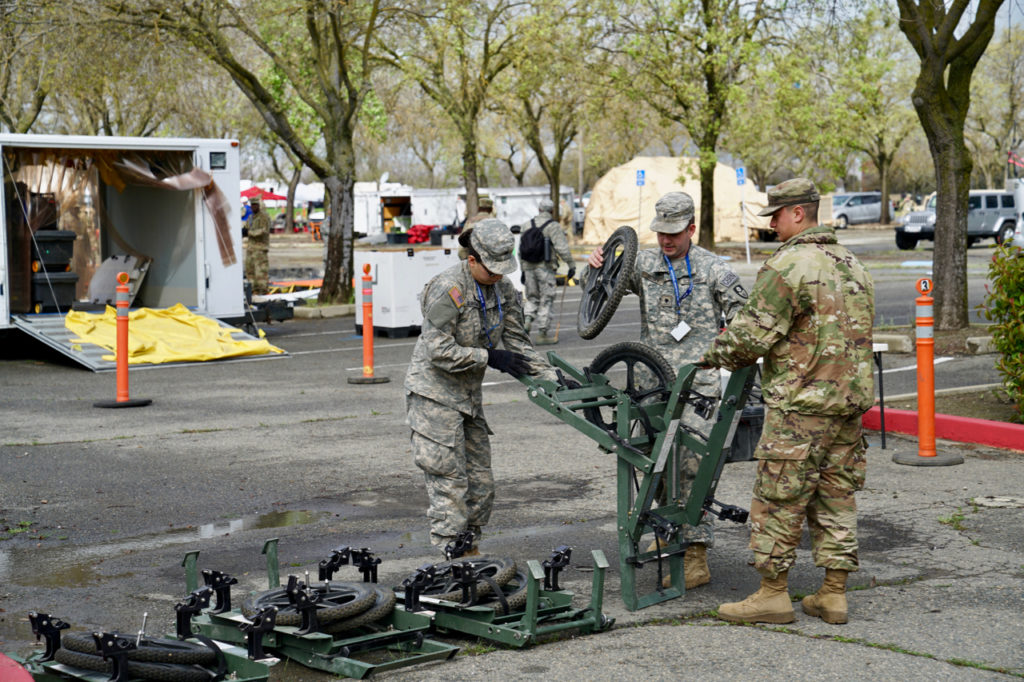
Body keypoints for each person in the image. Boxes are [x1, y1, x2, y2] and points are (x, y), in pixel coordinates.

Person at [700, 178, 875, 625]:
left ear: (799, 213)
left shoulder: (789, 265)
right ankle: (833, 595)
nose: (772, 225)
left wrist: (708, 355)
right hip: (848, 406)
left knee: (779, 498)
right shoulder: (854, 264)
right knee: (836, 496)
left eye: (776, 216)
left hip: (801, 410)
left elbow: (750, 337)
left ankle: (773, 594)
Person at [587, 191, 748, 590]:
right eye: (660, 232)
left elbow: (745, 316)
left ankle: (695, 556)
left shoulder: (713, 269)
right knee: (653, 467)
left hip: (698, 388)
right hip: (650, 387)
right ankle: (667, 533)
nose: (666, 240)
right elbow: (603, 287)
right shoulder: (643, 264)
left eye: (674, 233)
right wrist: (594, 265)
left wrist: (728, 343)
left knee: (693, 469)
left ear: (692, 228)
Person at [405, 219, 557, 554]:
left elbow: (518, 343)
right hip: (434, 396)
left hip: (468, 398)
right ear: (472, 259)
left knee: (481, 486)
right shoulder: (448, 288)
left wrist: (554, 381)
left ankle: (470, 554)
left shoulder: (503, 290)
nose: (499, 276)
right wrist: (488, 357)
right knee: (450, 484)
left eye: (504, 269)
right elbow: (438, 351)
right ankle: (453, 564)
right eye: (492, 270)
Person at [521, 198, 575, 344]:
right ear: (552, 211)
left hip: (528, 267)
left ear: (539, 210)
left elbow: (521, 250)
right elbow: (562, 248)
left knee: (532, 298)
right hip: (545, 268)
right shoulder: (553, 226)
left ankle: (526, 322)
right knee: (546, 299)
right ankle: (542, 334)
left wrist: (522, 270)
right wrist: (571, 265)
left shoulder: (526, 225)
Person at [244, 196, 270, 295]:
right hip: (251, 248)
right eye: (252, 205)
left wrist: (250, 233)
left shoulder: (264, 217)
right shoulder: (251, 217)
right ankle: (253, 291)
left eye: (255, 205)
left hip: (260, 248)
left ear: (259, 206)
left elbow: (264, 231)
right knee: (250, 271)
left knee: (261, 272)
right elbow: (246, 227)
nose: (253, 207)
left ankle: (263, 291)